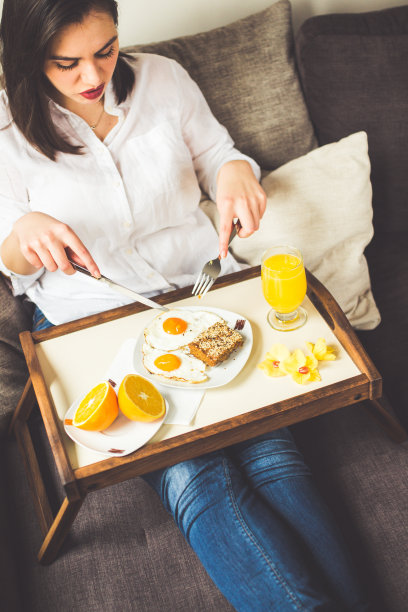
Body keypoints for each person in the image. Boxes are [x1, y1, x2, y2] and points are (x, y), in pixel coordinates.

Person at [0, 1, 370, 610]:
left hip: (198, 296)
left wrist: (233, 174)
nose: (92, 78)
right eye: (66, 64)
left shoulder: (163, 80)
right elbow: (11, 265)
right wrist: (22, 237)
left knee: (272, 450)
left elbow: (221, 155)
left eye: (105, 50)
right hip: (90, 319)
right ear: (27, 55)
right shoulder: (9, 133)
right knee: (196, 474)